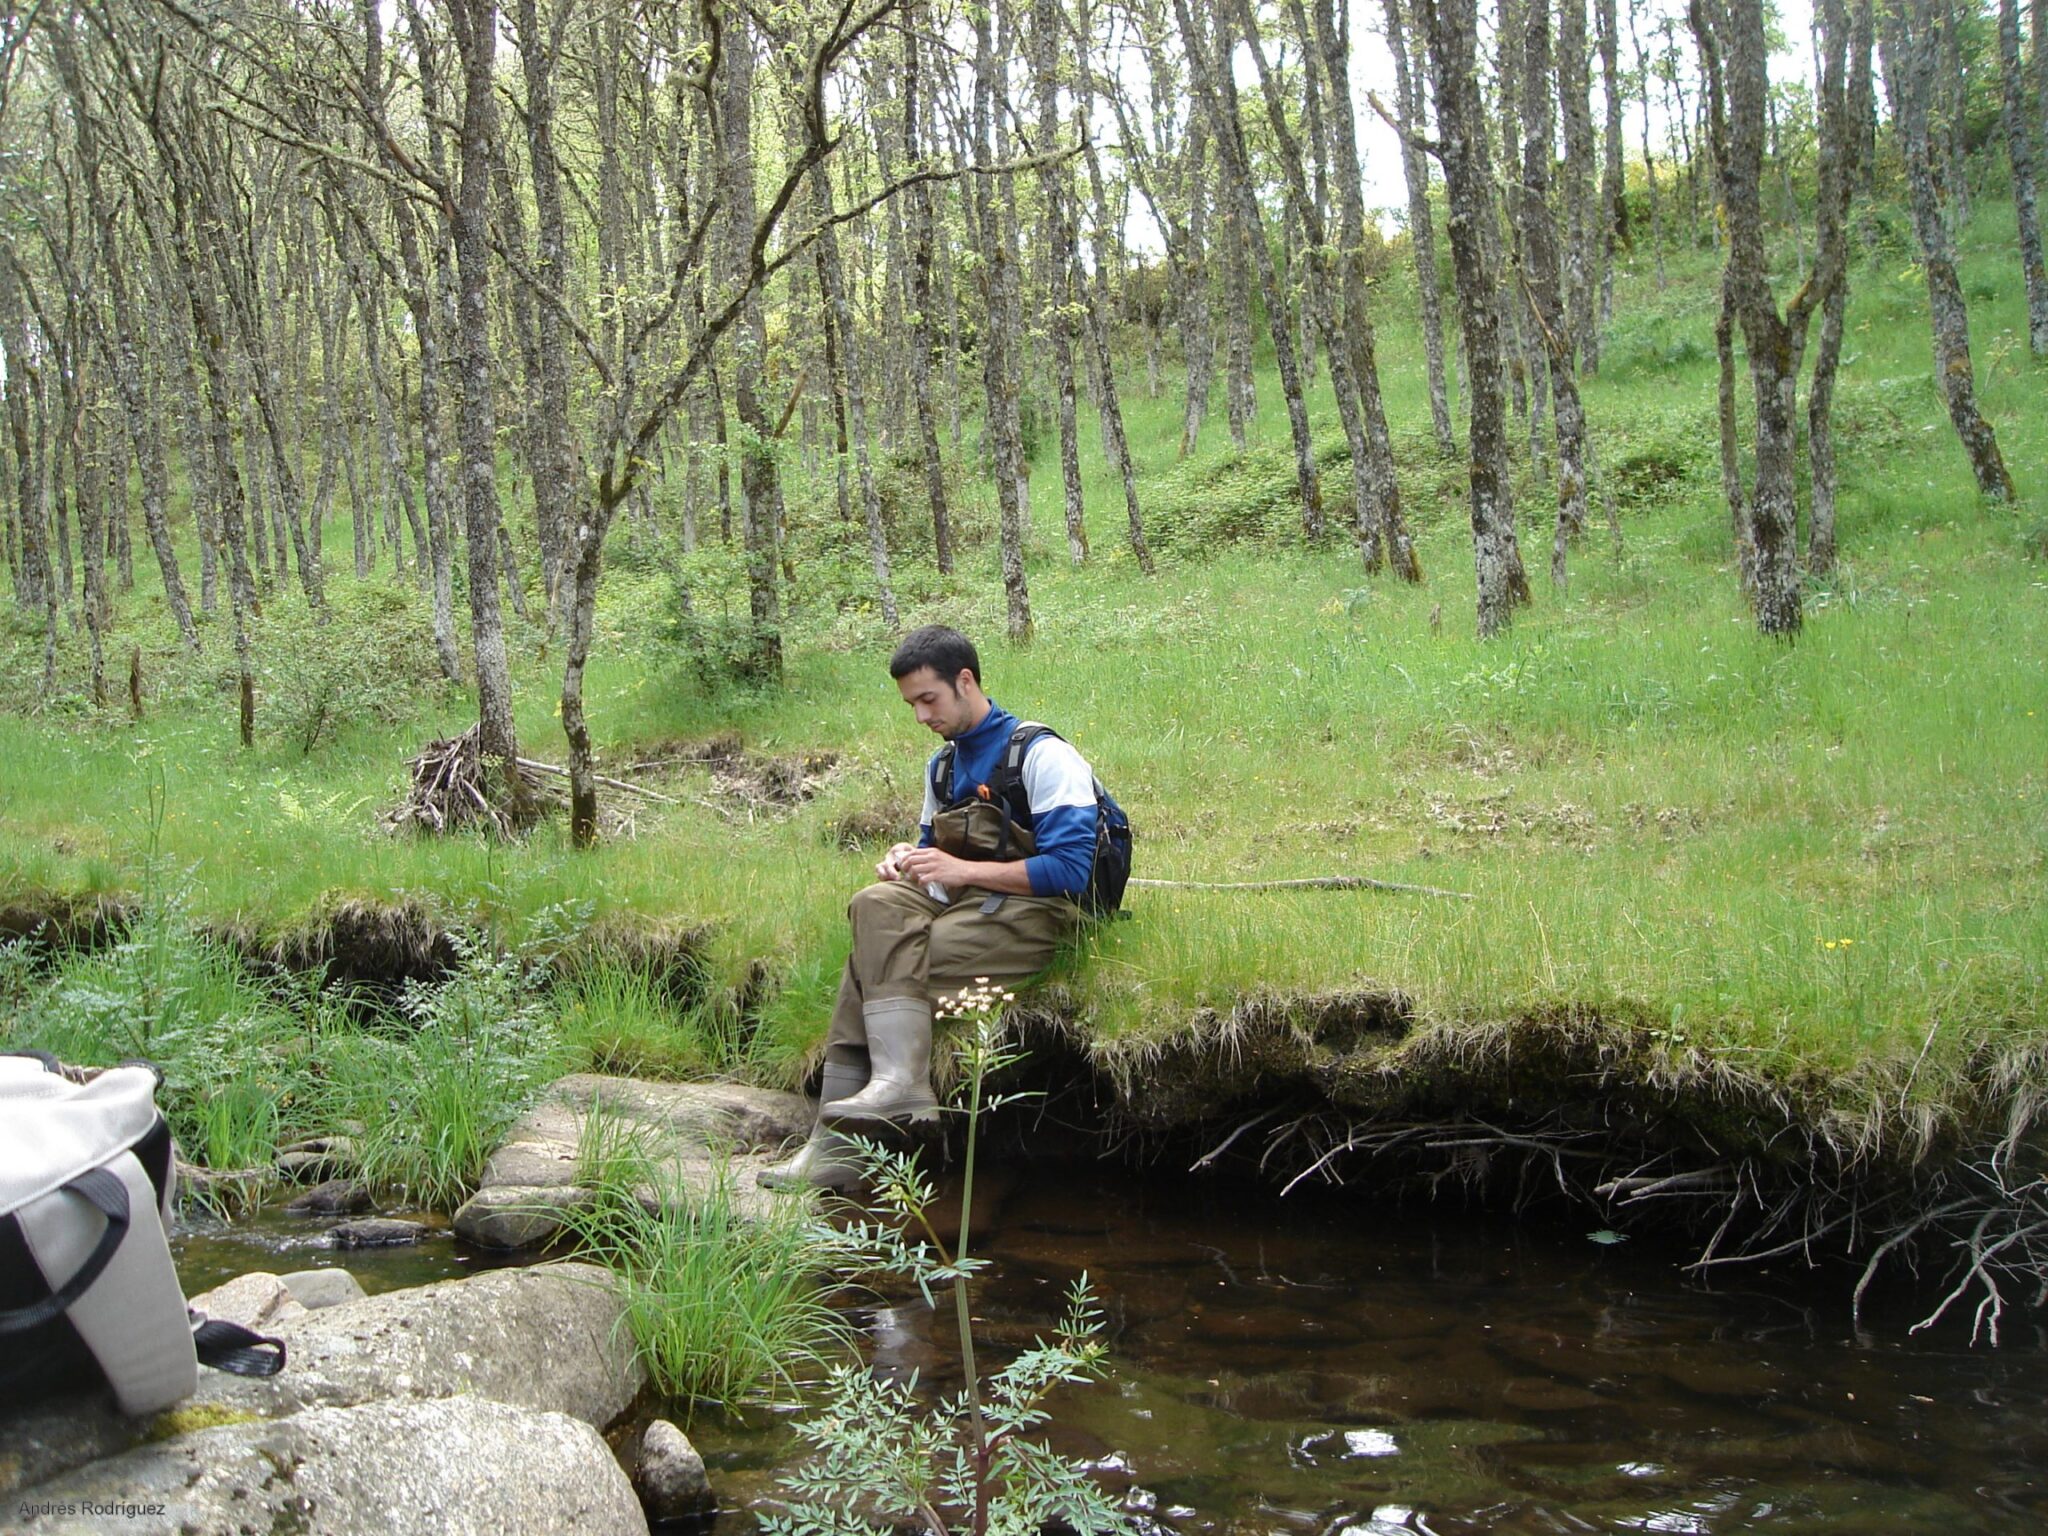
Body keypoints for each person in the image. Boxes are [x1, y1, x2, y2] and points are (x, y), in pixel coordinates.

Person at [759, 625, 1104, 1190]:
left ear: (965, 682)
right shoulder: (941, 769)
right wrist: (909, 859)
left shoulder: (1043, 755)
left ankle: (840, 1141)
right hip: (968, 907)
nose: (920, 716)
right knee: (873, 904)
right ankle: (895, 1089)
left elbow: (1072, 871)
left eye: (928, 700)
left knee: (872, 968)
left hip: (1044, 916)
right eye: (911, 704)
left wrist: (960, 870)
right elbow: (934, 858)